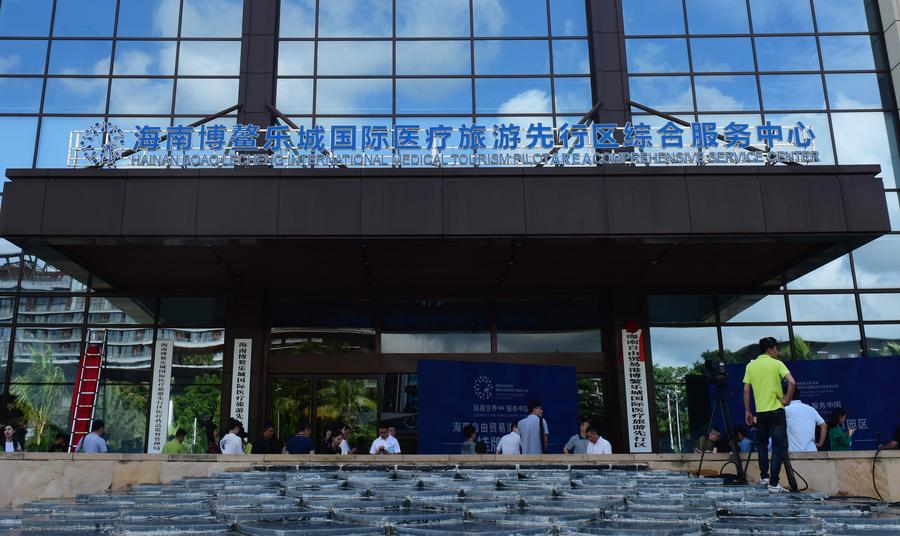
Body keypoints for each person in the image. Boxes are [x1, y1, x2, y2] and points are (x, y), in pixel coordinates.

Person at [743, 336, 796, 493]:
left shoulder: (751, 366)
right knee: (778, 447)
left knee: (761, 445)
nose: (778, 352)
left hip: (761, 413)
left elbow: (746, 390)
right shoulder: (777, 364)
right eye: (776, 349)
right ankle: (774, 483)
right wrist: (786, 399)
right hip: (776, 411)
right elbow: (792, 382)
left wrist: (748, 411)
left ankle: (764, 477)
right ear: (770, 349)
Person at [784, 386, 827, 452]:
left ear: (788, 395)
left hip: (795, 453)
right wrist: (820, 444)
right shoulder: (811, 409)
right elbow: (824, 426)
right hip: (812, 451)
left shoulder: (786, 410)